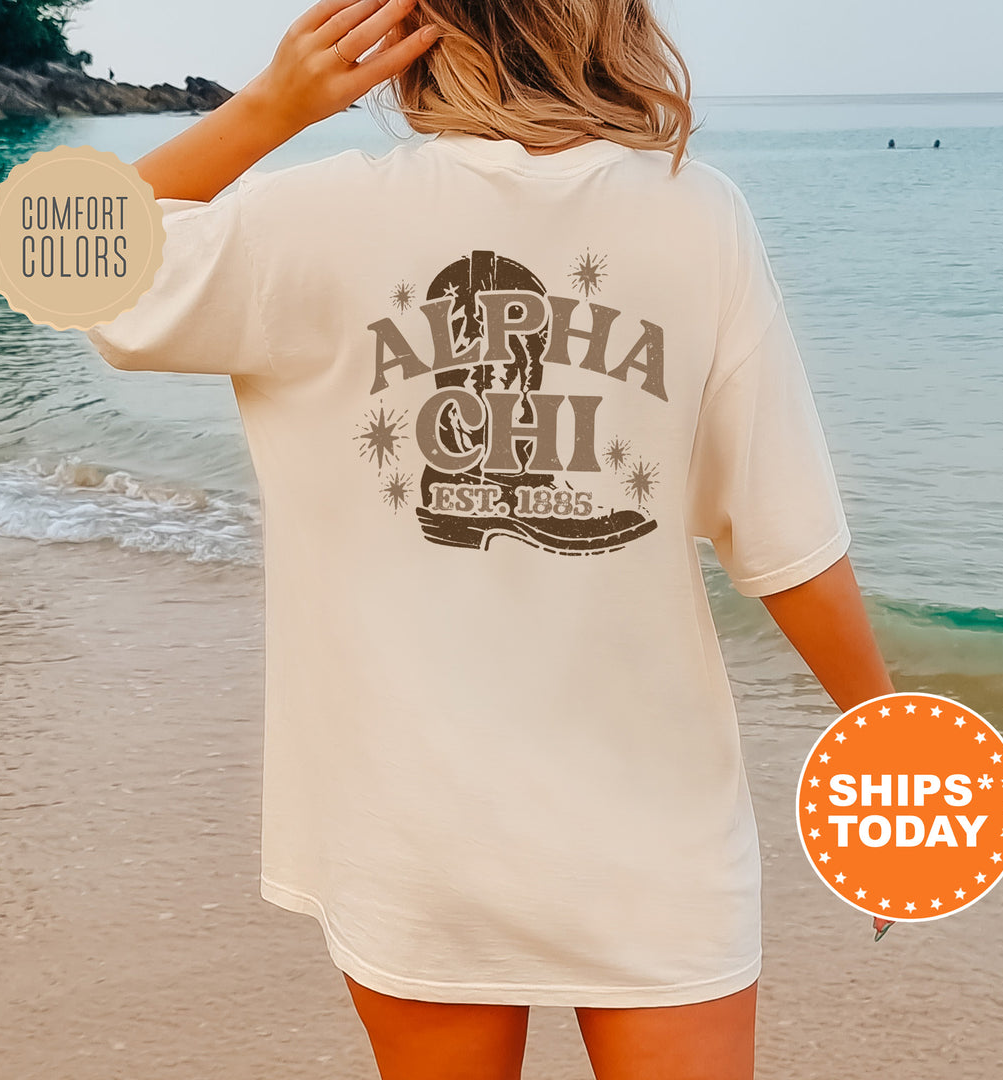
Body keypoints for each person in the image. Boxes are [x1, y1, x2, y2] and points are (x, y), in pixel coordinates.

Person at [85, 1, 895, 1077]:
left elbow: (58, 253)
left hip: (411, 831)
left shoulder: (317, 219)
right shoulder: (697, 217)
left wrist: (269, 108)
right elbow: (786, 536)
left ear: (414, 36)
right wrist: (888, 757)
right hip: (654, 839)